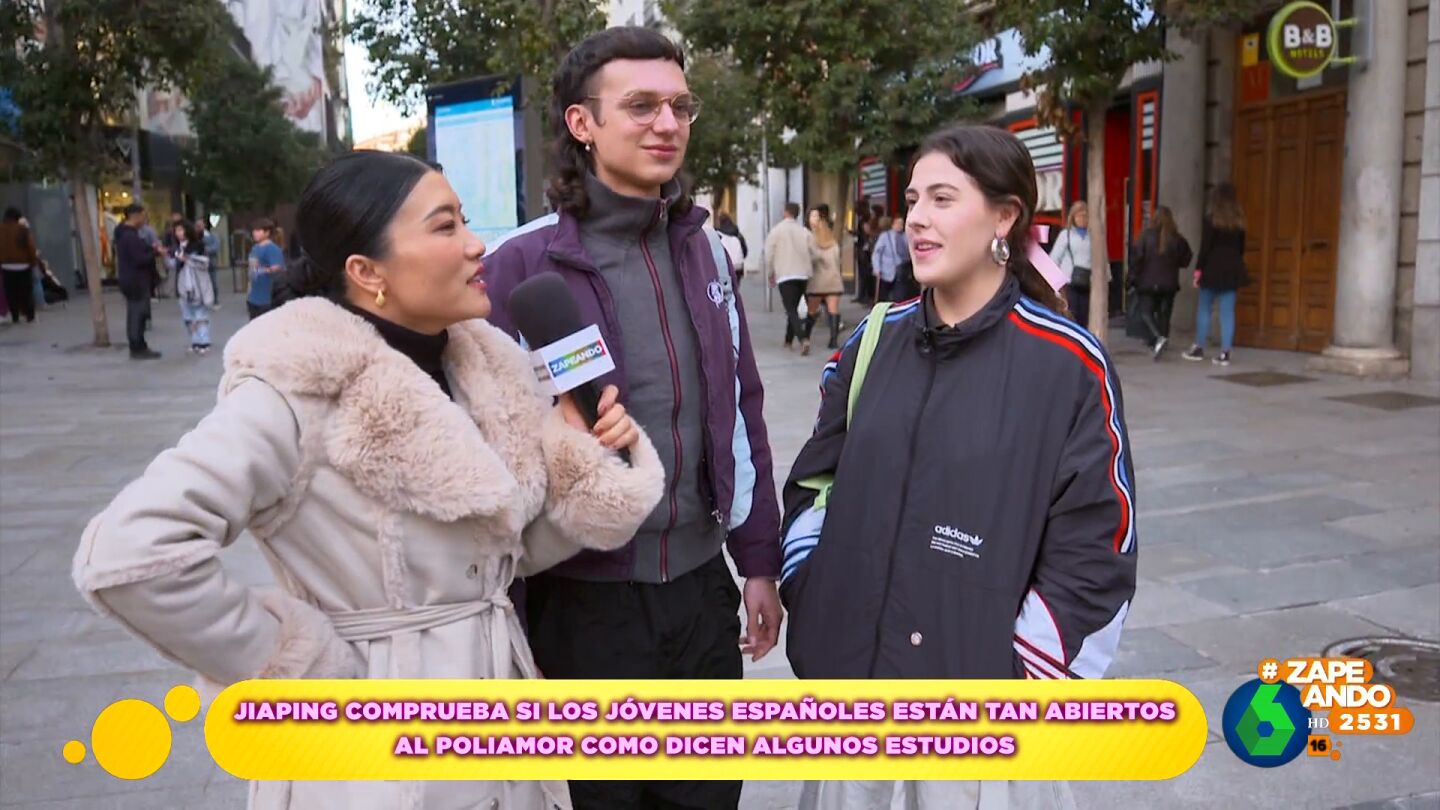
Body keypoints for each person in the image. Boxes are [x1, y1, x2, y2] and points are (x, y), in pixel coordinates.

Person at [72, 150, 665, 810]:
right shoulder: (297, 389)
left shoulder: (485, 370)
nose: (476, 246)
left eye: (466, 220)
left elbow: (493, 558)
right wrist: (303, 669)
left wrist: (580, 466)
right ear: (367, 272)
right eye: (445, 227)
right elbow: (130, 553)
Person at [780, 125, 1135, 809]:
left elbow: (1098, 545)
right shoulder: (874, 339)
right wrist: (815, 593)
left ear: (1004, 217)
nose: (917, 217)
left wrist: (1019, 679)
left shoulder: (1067, 365)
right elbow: (814, 484)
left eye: (943, 199)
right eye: (914, 199)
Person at [481, 27, 782, 810]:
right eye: (642, 106)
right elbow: (485, 452)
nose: (667, 124)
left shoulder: (710, 252)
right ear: (582, 123)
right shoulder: (518, 266)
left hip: (701, 599)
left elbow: (741, 408)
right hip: (581, 607)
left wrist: (757, 561)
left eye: (680, 106)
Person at [1183, 183, 1247, 366]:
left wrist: (1198, 271)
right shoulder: (1239, 221)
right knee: (1228, 312)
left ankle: (1199, 347)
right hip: (1232, 269)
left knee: (1204, 308)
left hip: (1212, 268)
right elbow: (1241, 248)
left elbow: (1205, 248)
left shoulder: (1211, 219)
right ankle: (1225, 352)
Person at [1129, 206, 1192, 360]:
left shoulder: (1146, 236)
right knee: (1164, 314)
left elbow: (1137, 259)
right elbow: (1186, 259)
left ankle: (1158, 338)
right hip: (1169, 283)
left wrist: (1131, 277)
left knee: (1146, 312)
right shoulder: (1177, 238)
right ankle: (1161, 341)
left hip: (1148, 282)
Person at [113, 204, 162, 360]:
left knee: (137, 313)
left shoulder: (125, 234)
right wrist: (154, 252)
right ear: (136, 216)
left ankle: (139, 345)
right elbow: (139, 259)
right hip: (136, 280)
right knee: (137, 314)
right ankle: (137, 346)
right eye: (143, 216)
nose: (145, 219)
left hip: (132, 279)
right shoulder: (129, 236)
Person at [767, 202, 813, 352]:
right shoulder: (804, 232)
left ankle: (803, 338)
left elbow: (769, 254)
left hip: (785, 274)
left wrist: (770, 272)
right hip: (803, 274)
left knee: (791, 308)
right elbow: (813, 251)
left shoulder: (776, 231)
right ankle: (788, 340)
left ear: (785, 212)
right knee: (793, 307)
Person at [169, 219, 215, 354]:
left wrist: (187, 259)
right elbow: (172, 264)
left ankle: (204, 341)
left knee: (200, 314)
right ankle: (195, 341)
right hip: (182, 285)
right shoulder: (176, 247)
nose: (178, 233)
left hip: (197, 284)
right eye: (176, 230)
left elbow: (204, 263)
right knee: (188, 316)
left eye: (180, 230)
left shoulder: (197, 245)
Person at [804, 204, 844, 350]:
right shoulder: (834, 243)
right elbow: (837, 261)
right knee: (833, 311)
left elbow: (810, 260)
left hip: (817, 281)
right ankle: (833, 340)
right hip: (833, 280)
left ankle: (806, 337)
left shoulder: (811, 241)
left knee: (812, 311)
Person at [1049, 201, 1092, 327]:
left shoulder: (1092, 236)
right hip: (1069, 283)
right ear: (1073, 218)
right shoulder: (1066, 235)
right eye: (1079, 216)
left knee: (1085, 317)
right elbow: (1054, 259)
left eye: (1085, 216)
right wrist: (1057, 285)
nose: (1082, 219)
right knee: (1072, 316)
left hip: (1087, 282)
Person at [0, 208, 38, 323]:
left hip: (6, 265)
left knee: (10, 292)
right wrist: (33, 262)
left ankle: (15, 316)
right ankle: (29, 315)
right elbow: (30, 247)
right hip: (23, 265)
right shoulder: (23, 229)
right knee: (26, 291)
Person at [247, 218, 285, 320]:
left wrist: (261, 270)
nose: (254, 233)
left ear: (267, 232)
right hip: (253, 298)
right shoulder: (255, 248)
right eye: (254, 230)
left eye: (258, 230)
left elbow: (277, 267)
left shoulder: (272, 249)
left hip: (267, 299)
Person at [871, 215, 909, 303]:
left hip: (901, 271)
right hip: (886, 271)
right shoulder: (885, 236)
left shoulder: (905, 236)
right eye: (898, 223)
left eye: (901, 224)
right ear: (893, 225)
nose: (900, 226)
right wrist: (877, 268)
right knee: (883, 297)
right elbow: (877, 253)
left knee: (900, 297)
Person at [850, 203, 874, 303]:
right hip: (862, 248)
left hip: (864, 249)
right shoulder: (864, 219)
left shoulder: (865, 219)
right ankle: (863, 295)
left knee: (864, 274)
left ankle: (865, 295)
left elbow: (867, 232)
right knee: (863, 274)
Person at [715, 211, 747, 282]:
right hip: (738, 266)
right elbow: (745, 251)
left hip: (725, 266)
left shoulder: (718, 235)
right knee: (736, 285)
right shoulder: (738, 235)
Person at [199, 218, 222, 304]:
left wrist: (205, 249)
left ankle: (215, 299)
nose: (198, 227)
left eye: (200, 225)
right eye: (197, 225)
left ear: (204, 225)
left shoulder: (212, 235)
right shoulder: (195, 236)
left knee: (212, 281)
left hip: (210, 262)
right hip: (199, 263)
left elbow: (216, 247)